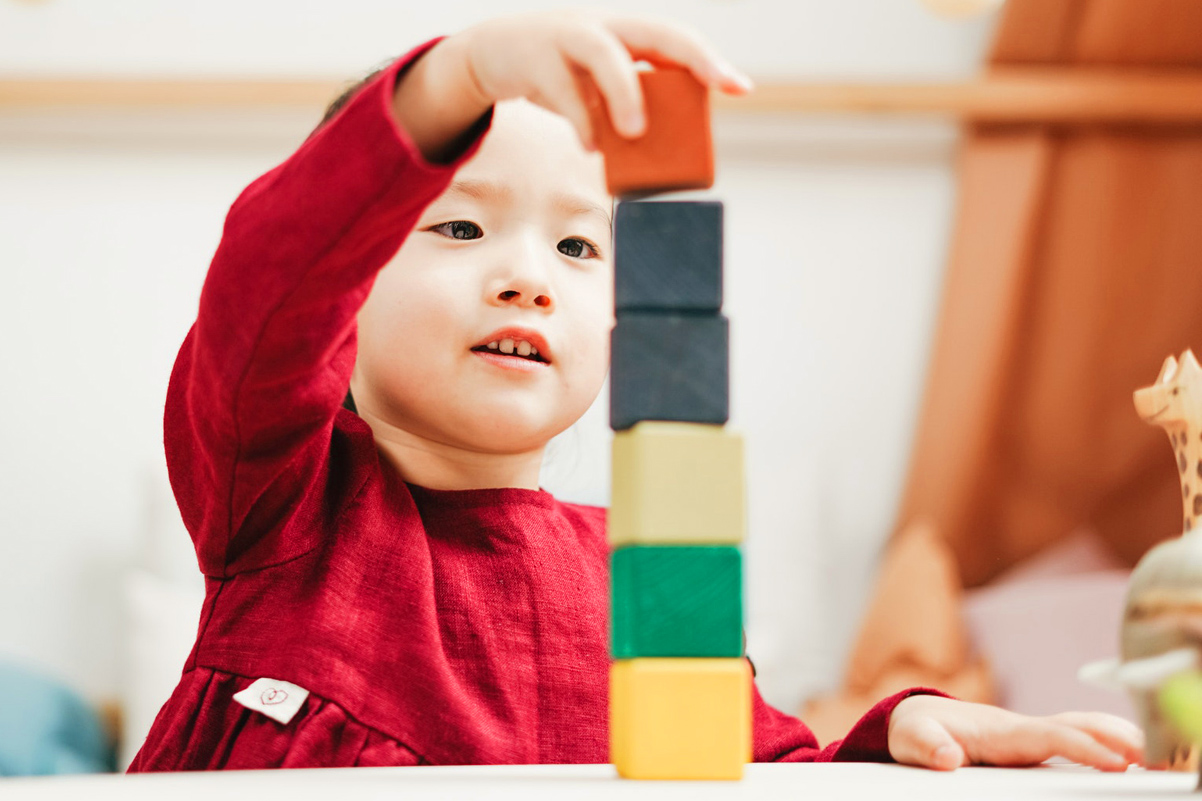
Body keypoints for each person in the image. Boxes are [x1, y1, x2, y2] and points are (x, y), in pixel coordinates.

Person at [128, 11, 1144, 772]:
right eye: (458, 227)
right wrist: (463, 75)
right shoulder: (279, 507)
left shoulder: (648, 575)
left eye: (576, 244)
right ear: (345, 291)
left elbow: (749, 772)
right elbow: (270, 276)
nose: (525, 276)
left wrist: (885, 745)